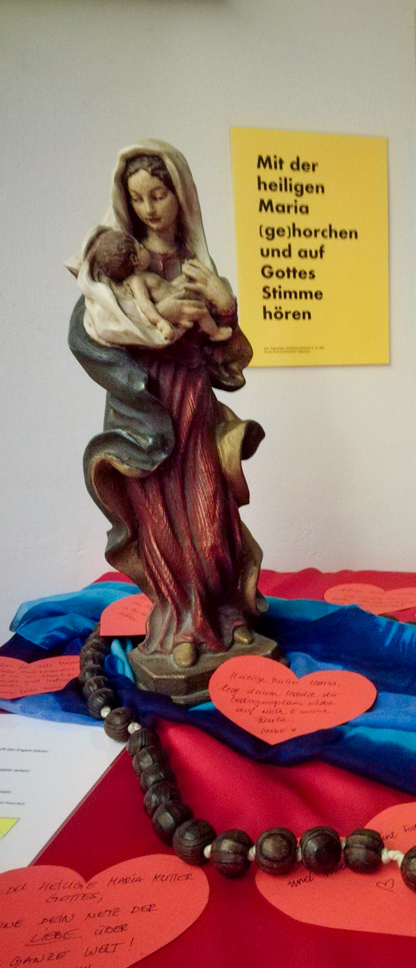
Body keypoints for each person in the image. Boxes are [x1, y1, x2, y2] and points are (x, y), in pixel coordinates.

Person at [67, 141, 268, 697]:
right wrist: (155, 321)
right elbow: (93, 331)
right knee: (162, 522)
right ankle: (181, 624)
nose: (150, 208)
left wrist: (225, 305)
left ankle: (225, 613)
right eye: (138, 198)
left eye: (158, 194)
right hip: (148, 411)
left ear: (180, 195)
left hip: (193, 403)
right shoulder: (118, 267)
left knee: (209, 517)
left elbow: (227, 353)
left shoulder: (198, 265)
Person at [88, 227, 228, 343]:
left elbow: (163, 286)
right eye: (140, 248)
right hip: (179, 304)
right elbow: (145, 304)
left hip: (177, 293)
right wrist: (160, 322)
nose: (144, 247)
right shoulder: (136, 282)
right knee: (201, 310)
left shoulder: (143, 276)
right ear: (135, 259)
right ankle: (214, 333)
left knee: (198, 289)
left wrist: (182, 279)